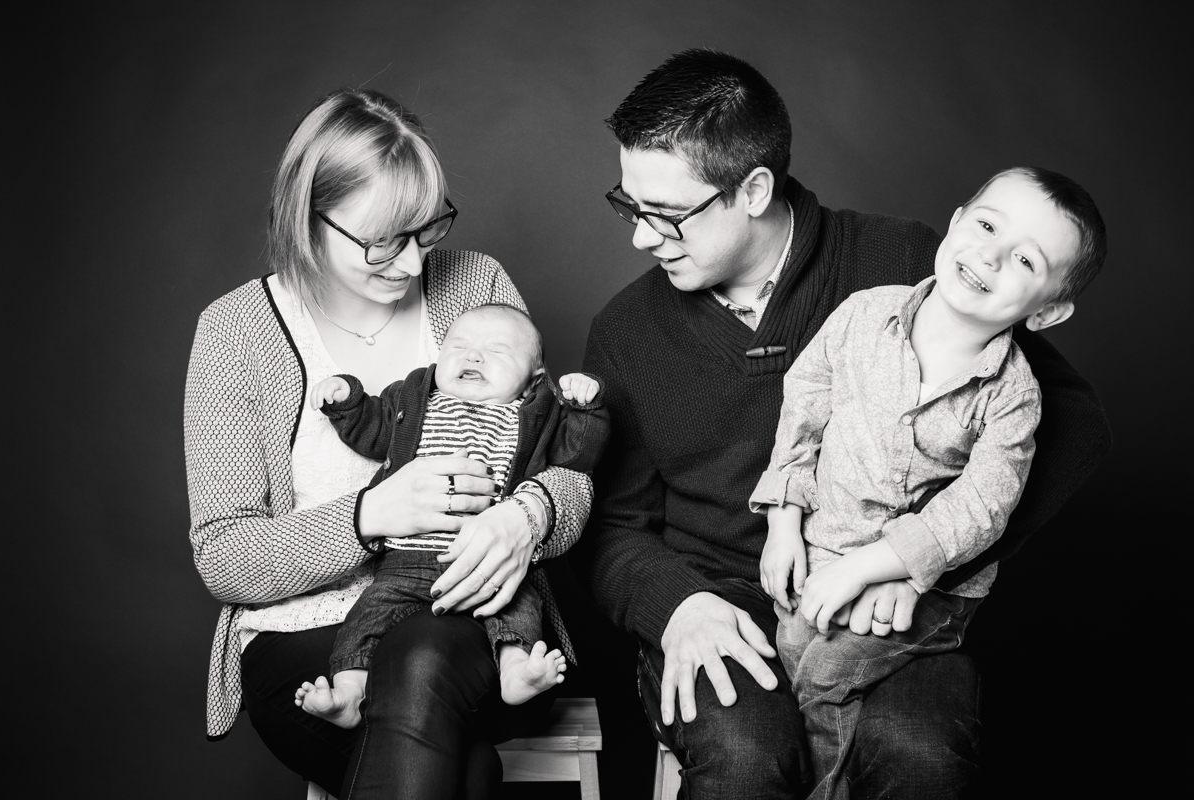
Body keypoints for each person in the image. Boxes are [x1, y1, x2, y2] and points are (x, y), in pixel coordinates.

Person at [574, 49, 1111, 799]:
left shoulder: (912, 263)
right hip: (719, 596)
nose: (640, 236)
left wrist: (920, 568)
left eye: (666, 214)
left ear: (753, 190)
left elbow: (1069, 430)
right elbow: (613, 525)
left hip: (884, 590)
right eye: (628, 205)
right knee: (748, 756)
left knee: (918, 754)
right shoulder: (627, 330)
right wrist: (677, 606)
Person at [184, 88, 593, 800]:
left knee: (426, 659)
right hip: (309, 644)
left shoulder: (475, 285)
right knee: (463, 769)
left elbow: (567, 464)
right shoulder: (236, 333)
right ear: (308, 217)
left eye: (425, 232)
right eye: (383, 242)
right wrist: (369, 516)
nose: (410, 263)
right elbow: (225, 556)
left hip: (476, 625)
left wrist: (525, 519)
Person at [750, 167, 1106, 799]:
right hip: (824, 543)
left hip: (934, 584)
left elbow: (982, 507)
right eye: (987, 226)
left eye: (1025, 260)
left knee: (826, 668)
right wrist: (783, 521)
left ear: (1048, 310)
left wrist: (880, 568)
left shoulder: (1013, 397)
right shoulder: (861, 316)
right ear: (956, 220)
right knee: (796, 635)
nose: (990, 256)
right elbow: (802, 410)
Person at [293, 304, 607, 725]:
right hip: (405, 561)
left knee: (517, 605)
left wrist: (585, 408)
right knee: (367, 615)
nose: (473, 356)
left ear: (533, 380)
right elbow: (373, 428)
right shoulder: (413, 400)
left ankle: (516, 670)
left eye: (497, 351)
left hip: (488, 562)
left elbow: (577, 457)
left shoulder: (536, 415)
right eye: (459, 346)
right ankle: (350, 691)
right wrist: (346, 401)